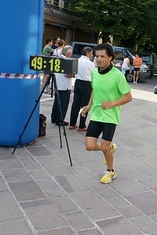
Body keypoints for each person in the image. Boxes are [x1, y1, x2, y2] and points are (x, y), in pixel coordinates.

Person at [81, 43, 132, 184]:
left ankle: (110, 171)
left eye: (102, 56)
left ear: (110, 57)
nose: (99, 59)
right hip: (96, 115)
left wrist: (112, 103)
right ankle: (110, 147)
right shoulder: (94, 73)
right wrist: (89, 106)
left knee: (103, 146)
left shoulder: (117, 75)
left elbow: (128, 96)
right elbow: (94, 91)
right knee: (89, 146)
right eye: (97, 56)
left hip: (110, 116)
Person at [69, 46, 95, 131]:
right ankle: (82, 125)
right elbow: (94, 74)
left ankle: (72, 124)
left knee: (75, 104)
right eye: (91, 53)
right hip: (86, 84)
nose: (92, 55)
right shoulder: (90, 64)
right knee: (85, 105)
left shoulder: (77, 61)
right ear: (87, 53)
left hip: (77, 82)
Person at [50, 45, 74, 126]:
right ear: (69, 53)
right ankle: (60, 120)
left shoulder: (58, 58)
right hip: (64, 86)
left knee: (56, 102)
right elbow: (68, 74)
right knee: (63, 104)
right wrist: (74, 74)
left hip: (57, 84)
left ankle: (54, 117)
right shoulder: (67, 61)